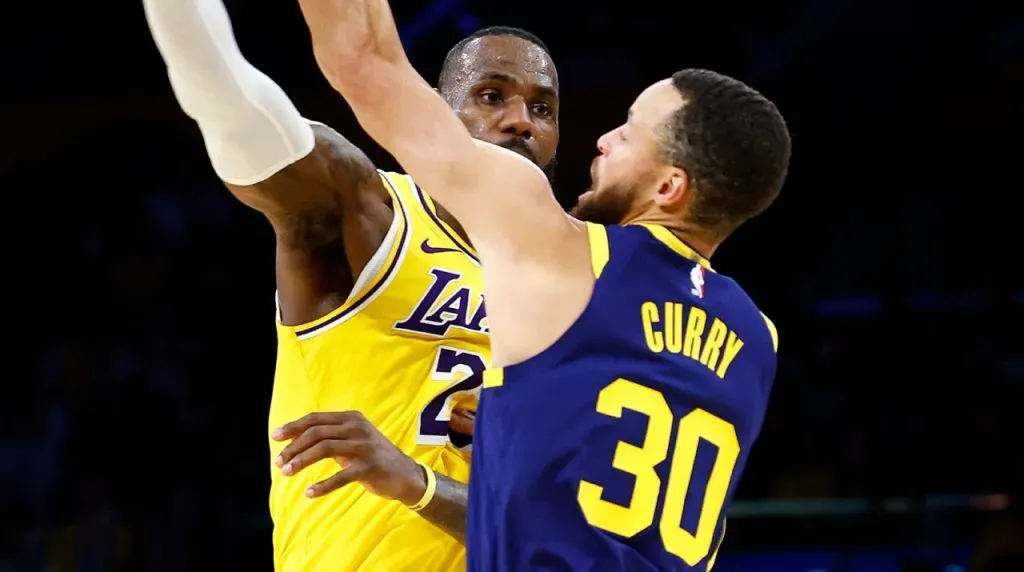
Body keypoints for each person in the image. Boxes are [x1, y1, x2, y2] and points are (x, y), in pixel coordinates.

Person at [290, 0, 791, 569]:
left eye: (628, 134)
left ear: (669, 188)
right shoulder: (759, 340)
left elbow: (365, 61)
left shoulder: (568, 250)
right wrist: (523, 426)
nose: (603, 140)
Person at [141, 0, 559, 568]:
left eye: (542, 108)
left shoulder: (573, 281)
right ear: (439, 113)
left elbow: (565, 528)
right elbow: (231, 102)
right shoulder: (370, 213)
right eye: (491, 95)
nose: (521, 121)